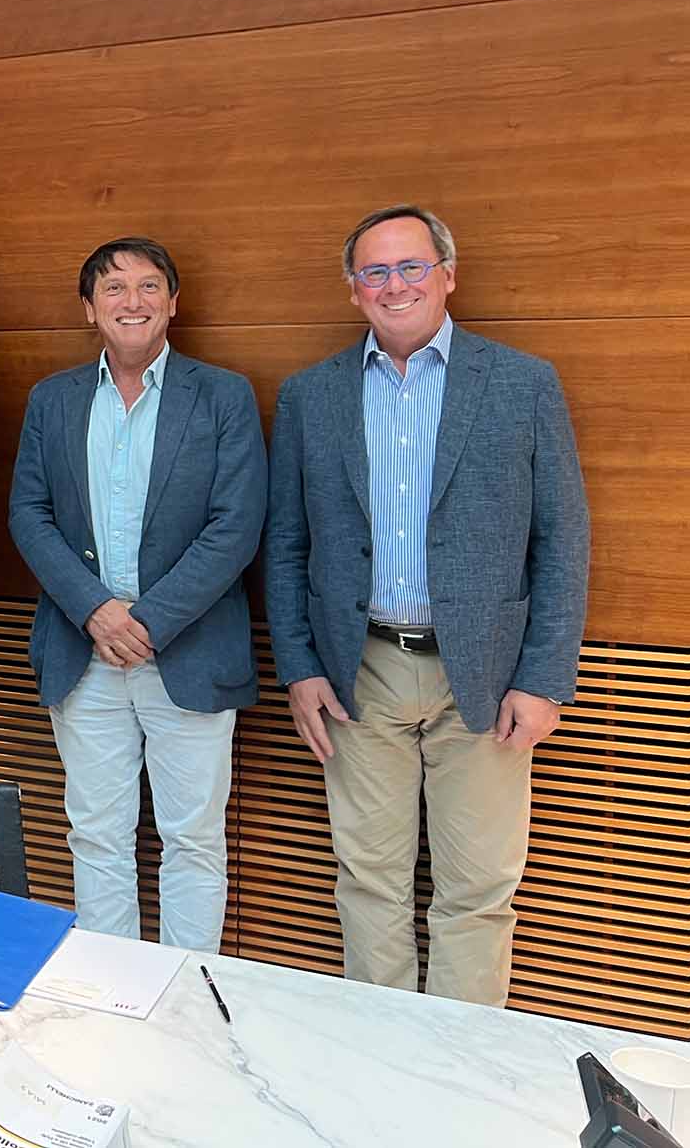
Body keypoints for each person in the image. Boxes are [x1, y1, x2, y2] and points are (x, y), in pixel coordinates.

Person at [265, 204, 589, 1006]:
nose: (395, 284)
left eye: (411, 266)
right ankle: (386, 1058)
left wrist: (544, 679)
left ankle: (458, 1062)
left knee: (477, 891)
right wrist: (299, 667)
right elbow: (287, 541)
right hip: (359, 671)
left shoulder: (522, 383)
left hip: (486, 673)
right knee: (368, 881)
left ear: (448, 275)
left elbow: (562, 539)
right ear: (354, 290)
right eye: (374, 271)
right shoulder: (311, 395)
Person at [7, 238, 265, 951]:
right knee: (96, 835)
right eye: (113, 288)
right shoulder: (54, 399)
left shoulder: (223, 396)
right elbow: (28, 513)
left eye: (149, 286)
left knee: (194, 840)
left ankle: (188, 994)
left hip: (187, 650)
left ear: (173, 303)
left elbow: (237, 525)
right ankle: (110, 994)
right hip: (83, 652)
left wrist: (148, 621)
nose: (133, 301)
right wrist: (95, 610)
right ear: (89, 308)